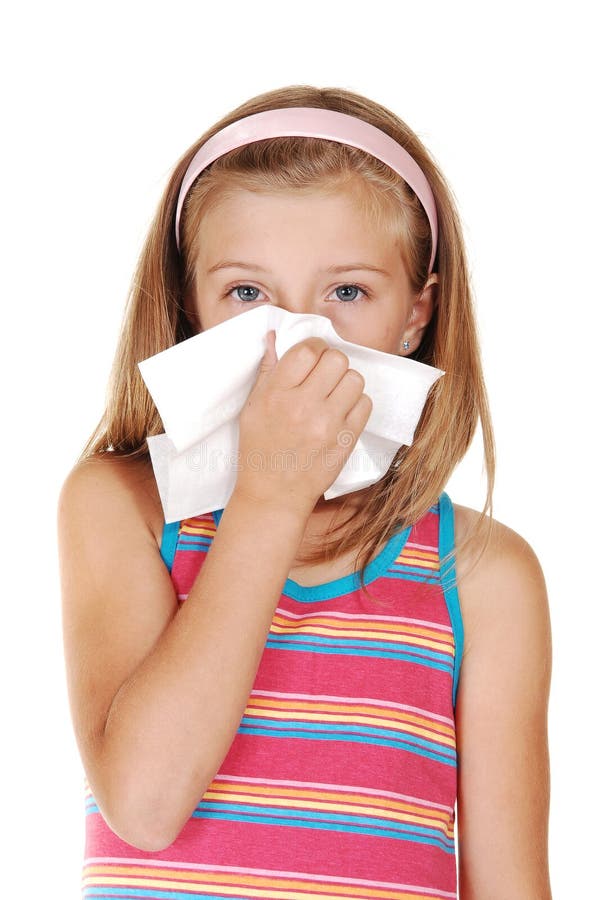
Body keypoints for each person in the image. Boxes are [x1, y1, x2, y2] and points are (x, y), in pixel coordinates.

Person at [57, 85, 553, 899]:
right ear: (189, 309)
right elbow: (144, 807)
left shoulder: (483, 576)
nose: (296, 338)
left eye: (347, 293)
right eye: (247, 294)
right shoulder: (124, 508)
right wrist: (269, 498)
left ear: (416, 315)